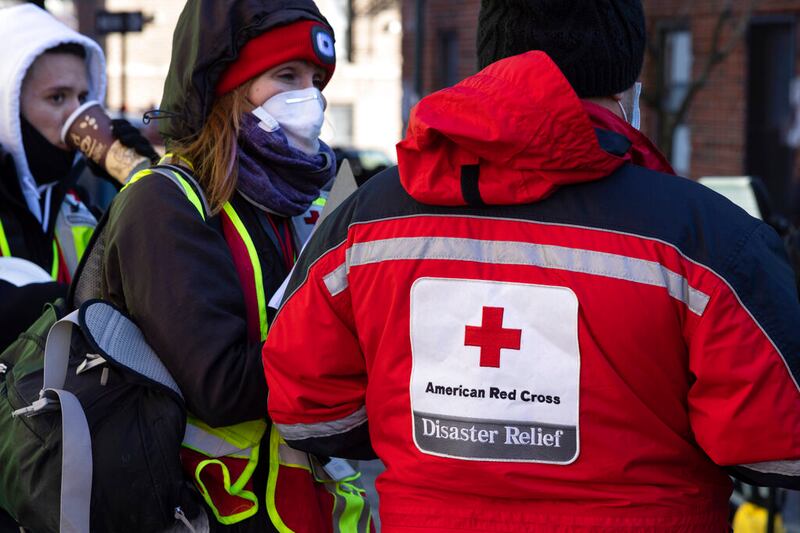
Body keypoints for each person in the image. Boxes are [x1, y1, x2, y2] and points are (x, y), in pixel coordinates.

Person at [262, 0, 800, 531]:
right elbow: (780, 443)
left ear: (490, 60)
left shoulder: (361, 221)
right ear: (626, 88)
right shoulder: (708, 238)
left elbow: (308, 410)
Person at [100, 1, 370, 531]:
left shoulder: (303, 202)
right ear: (228, 86)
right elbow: (220, 386)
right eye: (286, 76)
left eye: (317, 80)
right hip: (210, 511)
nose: (310, 99)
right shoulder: (166, 203)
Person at [0, 4, 156, 351]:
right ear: (7, 107)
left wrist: (144, 190)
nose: (78, 113)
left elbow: (155, 284)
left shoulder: (76, 205)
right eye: (57, 97)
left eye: (84, 97)